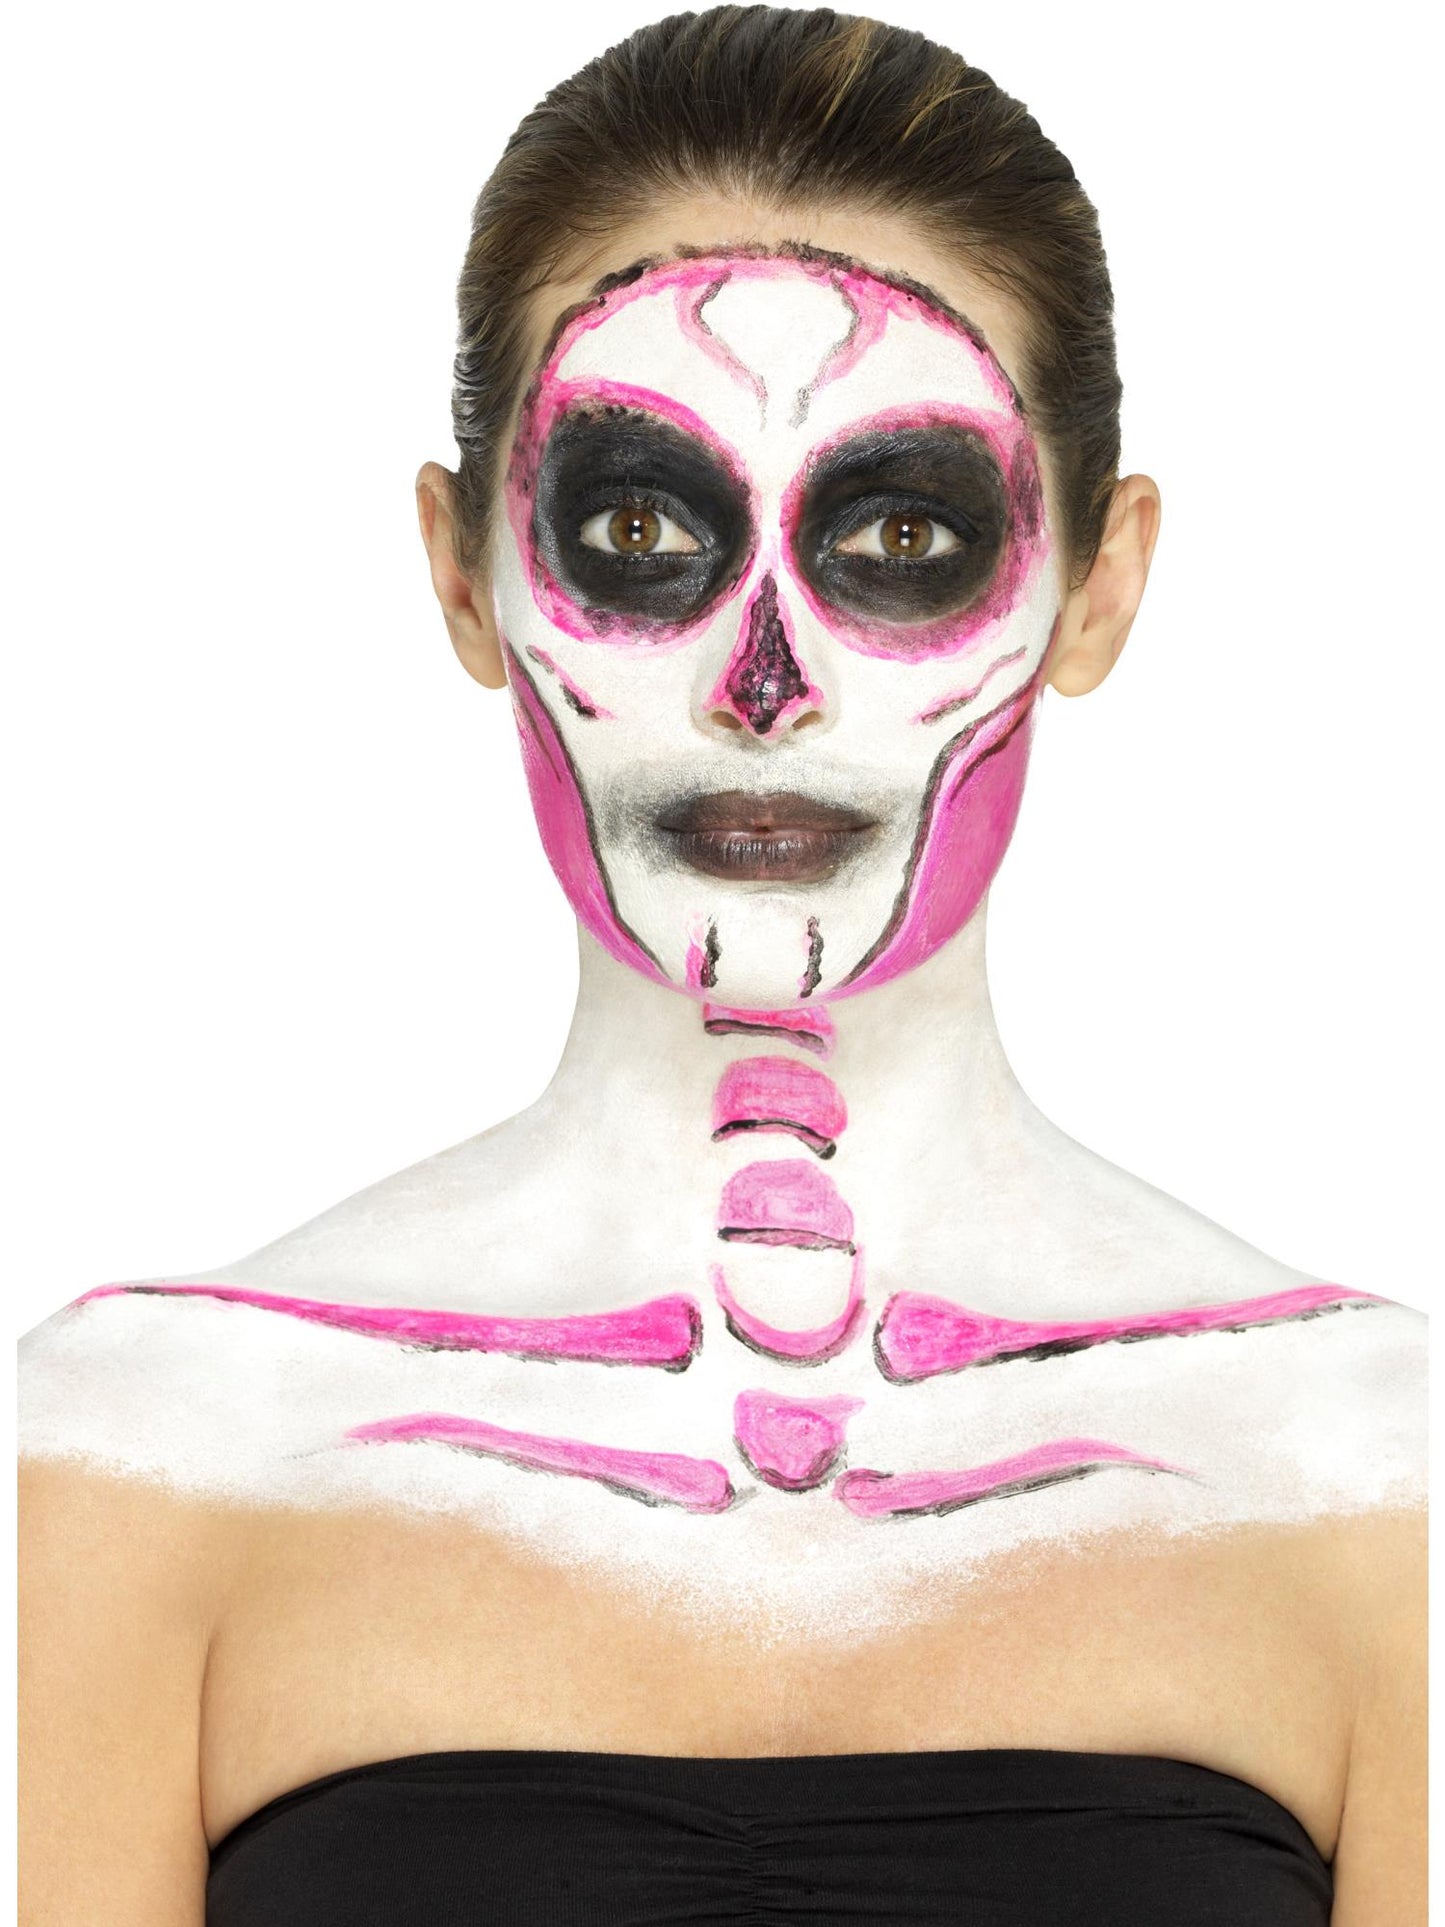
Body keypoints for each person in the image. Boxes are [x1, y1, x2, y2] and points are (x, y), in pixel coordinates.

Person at [18, 8, 1425, 1923]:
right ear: (463, 571)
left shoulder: (1379, 1481)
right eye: (638, 526)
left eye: (901, 532)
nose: (764, 687)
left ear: (1098, 586)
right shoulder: (133, 1455)